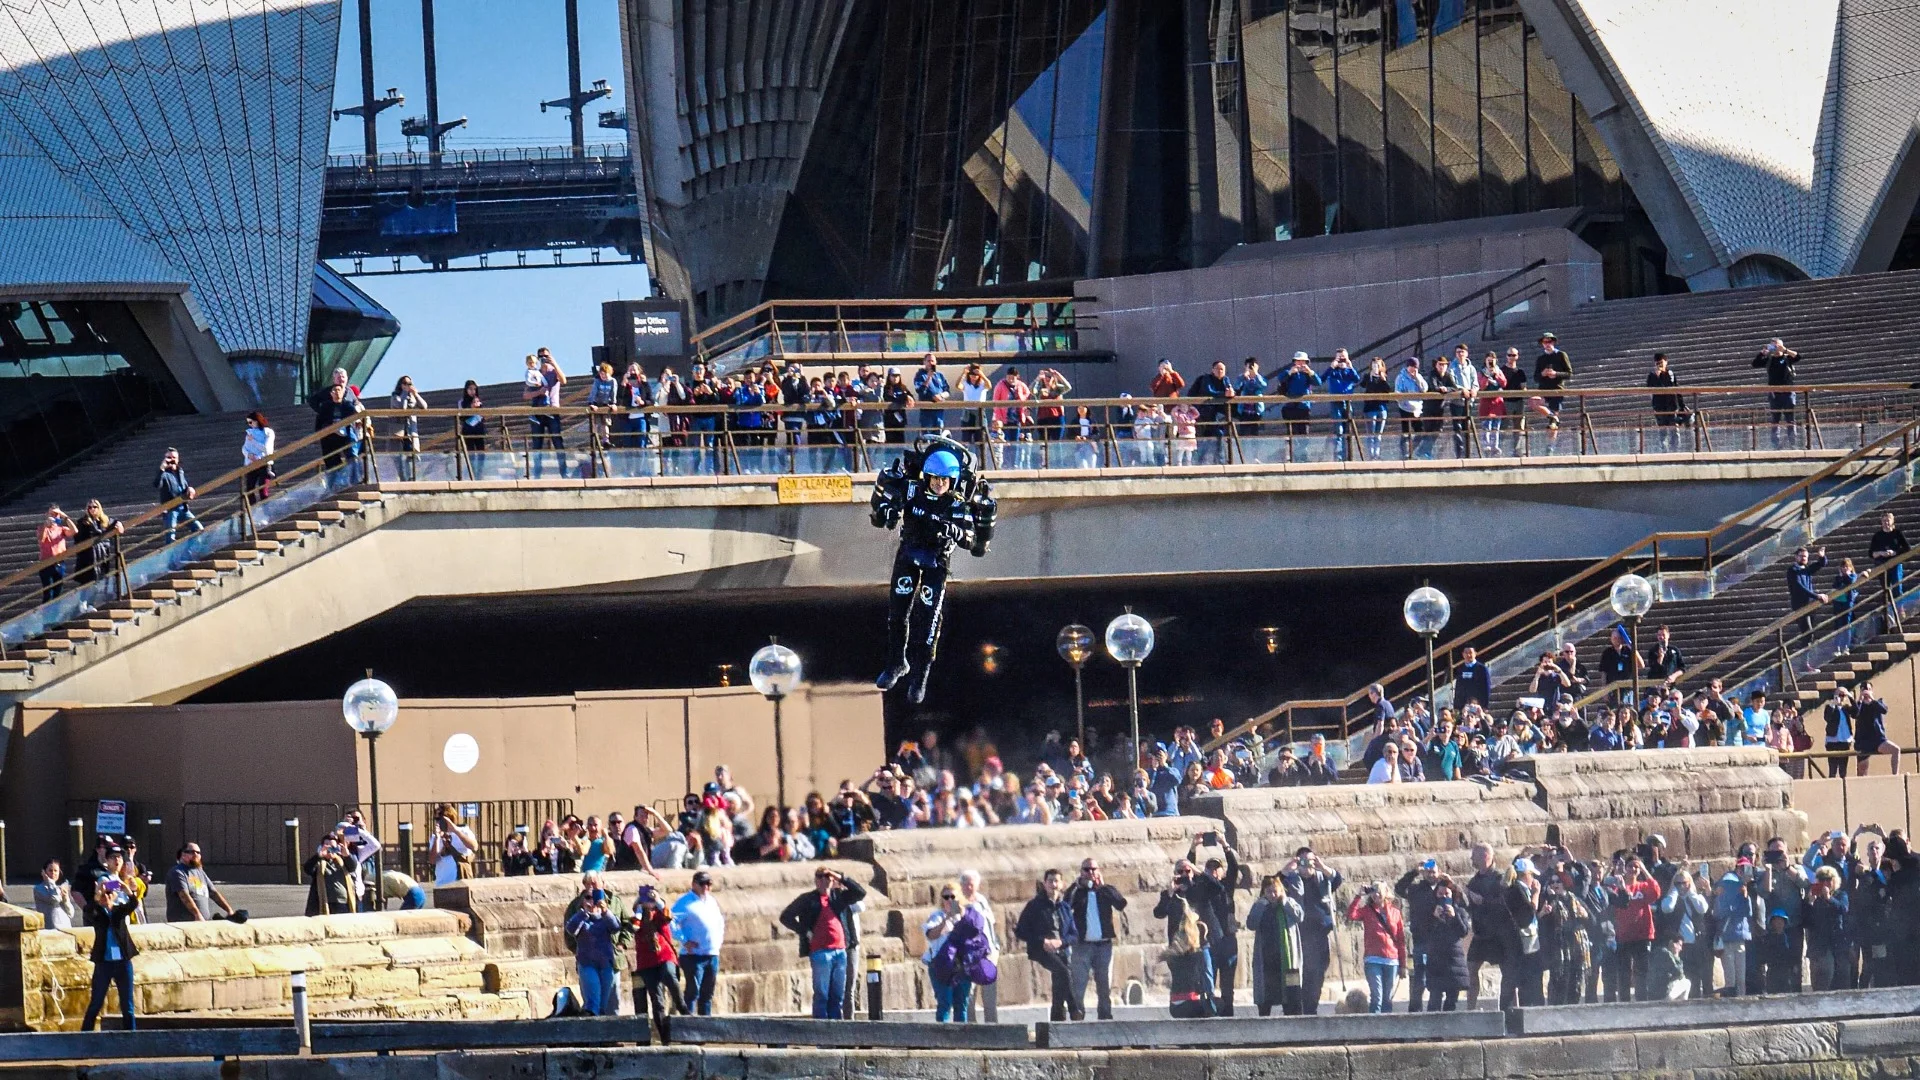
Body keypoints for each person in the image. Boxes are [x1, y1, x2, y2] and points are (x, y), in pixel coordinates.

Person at [870, 441, 993, 704]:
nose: (939, 484)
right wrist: (888, 511)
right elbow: (883, 507)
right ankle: (895, 664)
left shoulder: (957, 504)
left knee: (928, 620)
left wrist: (954, 531)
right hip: (908, 555)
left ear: (953, 480)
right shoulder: (912, 490)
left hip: (937, 563)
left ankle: (920, 675)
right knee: (897, 613)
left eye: (944, 480)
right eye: (935, 478)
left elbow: (971, 539)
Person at [778, 866, 868, 1019]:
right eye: (820, 877)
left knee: (837, 995)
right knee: (822, 995)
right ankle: (821, 1036)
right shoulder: (807, 899)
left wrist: (840, 876)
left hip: (840, 951)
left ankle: (836, 1033)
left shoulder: (838, 897)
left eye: (828, 877)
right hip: (820, 952)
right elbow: (786, 916)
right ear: (816, 880)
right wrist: (805, 931)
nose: (825, 880)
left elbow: (860, 892)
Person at [79, 845, 140, 1031]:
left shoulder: (119, 912)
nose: (108, 897)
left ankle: (132, 1039)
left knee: (128, 1006)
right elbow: (90, 908)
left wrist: (125, 888)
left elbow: (133, 903)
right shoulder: (98, 910)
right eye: (113, 857)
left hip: (122, 960)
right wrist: (99, 896)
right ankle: (84, 1037)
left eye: (119, 857)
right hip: (104, 962)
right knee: (96, 1002)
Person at [1014, 868, 1081, 1021]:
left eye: (1056, 881)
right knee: (1064, 972)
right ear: (1045, 884)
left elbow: (1074, 935)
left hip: (1061, 950)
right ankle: (1074, 1008)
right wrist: (1042, 941)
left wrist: (1061, 942)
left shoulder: (1064, 908)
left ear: (1062, 884)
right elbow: (1021, 931)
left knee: (1059, 985)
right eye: (1050, 881)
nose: (1053, 884)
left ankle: (1058, 1021)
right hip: (1041, 950)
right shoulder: (1034, 906)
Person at [1282, 846, 1341, 1013]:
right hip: (1297, 935)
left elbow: (1337, 879)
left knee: (1316, 975)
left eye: (1310, 861)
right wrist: (1286, 870)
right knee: (1296, 973)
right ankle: (1295, 1008)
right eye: (1302, 861)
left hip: (1319, 936)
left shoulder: (1323, 878)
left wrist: (1322, 866)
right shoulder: (1291, 879)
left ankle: (1311, 1008)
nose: (1306, 865)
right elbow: (1274, 886)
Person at [1066, 857, 1126, 1020]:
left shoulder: (1105, 891)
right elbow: (1065, 906)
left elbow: (1120, 903)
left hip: (1103, 945)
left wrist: (1104, 886)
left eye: (1093, 869)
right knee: (1078, 984)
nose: (1090, 873)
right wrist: (1076, 886)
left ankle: (1105, 1016)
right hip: (1082, 945)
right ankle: (1078, 1015)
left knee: (1104, 983)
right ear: (1081, 872)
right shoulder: (1077, 892)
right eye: (1087, 870)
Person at [564, 871, 630, 1016]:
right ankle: (594, 1032)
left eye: (594, 883)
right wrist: (584, 911)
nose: (592, 888)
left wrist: (622, 944)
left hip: (610, 960)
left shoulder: (614, 901)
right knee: (592, 1000)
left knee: (610, 1002)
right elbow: (569, 930)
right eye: (588, 884)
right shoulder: (577, 905)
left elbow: (620, 926)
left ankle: (612, 1035)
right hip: (587, 961)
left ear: (602, 884)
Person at [632, 884, 688, 1037]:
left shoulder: (660, 913)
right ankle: (664, 1036)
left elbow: (668, 917)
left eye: (650, 901)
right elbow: (634, 928)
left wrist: (657, 900)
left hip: (664, 955)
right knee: (657, 1001)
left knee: (669, 975)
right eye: (646, 901)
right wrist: (639, 912)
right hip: (647, 962)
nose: (648, 903)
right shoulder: (637, 916)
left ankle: (682, 1005)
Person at [1245, 873, 1304, 1016]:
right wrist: (1260, 906)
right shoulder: (1260, 905)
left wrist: (1285, 902)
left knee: (1292, 997)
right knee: (1265, 999)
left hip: (1289, 961)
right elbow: (1251, 924)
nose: (1272, 895)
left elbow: (1300, 916)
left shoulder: (1288, 902)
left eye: (1275, 891)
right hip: (1266, 961)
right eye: (1269, 892)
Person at [1605, 854, 1661, 1000]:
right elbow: (1605, 888)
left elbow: (1656, 892)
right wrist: (1614, 870)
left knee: (1641, 971)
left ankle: (1641, 1000)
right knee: (1624, 972)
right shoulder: (1617, 886)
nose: (1633, 869)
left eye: (1636, 867)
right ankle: (1624, 1001)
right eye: (1631, 866)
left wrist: (1644, 869)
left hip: (1642, 935)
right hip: (1623, 935)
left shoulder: (1642, 887)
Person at [669, 870, 725, 1014]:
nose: (706, 887)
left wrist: (718, 942)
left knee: (707, 994)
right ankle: (688, 1024)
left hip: (712, 954)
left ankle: (705, 1026)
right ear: (694, 884)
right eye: (702, 884)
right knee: (693, 992)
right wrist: (684, 940)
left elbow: (719, 922)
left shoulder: (711, 901)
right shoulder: (685, 902)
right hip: (693, 956)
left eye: (709, 884)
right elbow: (670, 921)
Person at [1347, 882, 1405, 1013]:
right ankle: (1374, 1028)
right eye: (1373, 891)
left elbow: (1400, 940)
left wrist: (1403, 965)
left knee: (1387, 998)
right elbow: (1351, 915)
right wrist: (1358, 896)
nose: (1376, 894)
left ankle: (1387, 1029)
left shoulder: (1395, 912)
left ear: (1385, 893)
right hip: (1373, 958)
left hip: (1391, 959)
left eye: (1379, 891)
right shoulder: (1367, 911)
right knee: (1377, 996)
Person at [1422, 877, 1472, 1011]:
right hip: (1436, 960)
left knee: (1452, 1000)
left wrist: (1454, 916)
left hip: (1453, 960)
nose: (1443, 897)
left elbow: (1463, 932)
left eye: (1447, 894)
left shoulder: (1460, 911)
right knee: (1434, 1000)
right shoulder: (1429, 912)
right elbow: (1424, 932)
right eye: (1440, 894)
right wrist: (1434, 918)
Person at [165, 843, 234, 922]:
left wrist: (229, 910)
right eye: (191, 852)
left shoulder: (200, 872)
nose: (195, 854)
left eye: (198, 852)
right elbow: (184, 895)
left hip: (201, 922)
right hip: (184, 923)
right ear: (183, 854)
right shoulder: (177, 872)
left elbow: (213, 893)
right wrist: (197, 915)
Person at [1752, 337, 1800, 446]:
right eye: (1774, 346)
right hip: (1774, 393)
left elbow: (1798, 357)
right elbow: (1755, 364)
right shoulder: (1769, 359)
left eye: (1777, 345)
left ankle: (1793, 443)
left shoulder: (1788, 358)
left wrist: (1785, 350)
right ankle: (1775, 444)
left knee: (1790, 419)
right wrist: (1762, 353)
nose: (1776, 348)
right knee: (1775, 420)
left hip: (1788, 392)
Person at [303, 830, 359, 916]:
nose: (330, 851)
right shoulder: (318, 863)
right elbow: (307, 869)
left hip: (343, 902)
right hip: (324, 902)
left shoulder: (342, 860)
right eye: (327, 847)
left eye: (333, 847)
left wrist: (347, 855)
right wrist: (318, 856)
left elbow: (352, 867)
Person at [153, 446, 203, 543]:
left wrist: (189, 488)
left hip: (183, 507)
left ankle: (189, 551)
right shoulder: (163, 473)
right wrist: (162, 469)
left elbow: (183, 486)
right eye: (169, 457)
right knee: (170, 537)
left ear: (178, 459)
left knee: (199, 529)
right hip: (171, 509)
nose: (171, 460)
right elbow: (156, 484)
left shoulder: (180, 471)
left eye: (174, 458)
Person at [428, 805, 480, 886]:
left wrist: (455, 830)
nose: (438, 822)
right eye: (436, 819)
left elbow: (474, 847)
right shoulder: (435, 837)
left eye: (441, 819)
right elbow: (432, 860)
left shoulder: (464, 831)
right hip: (442, 884)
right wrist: (437, 838)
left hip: (462, 882)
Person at [389, 375, 428, 480]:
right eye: (405, 383)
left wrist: (415, 394)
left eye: (410, 384)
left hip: (411, 429)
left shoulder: (413, 397)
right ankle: (403, 478)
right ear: (401, 385)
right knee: (399, 456)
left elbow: (424, 406)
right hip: (399, 430)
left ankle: (412, 477)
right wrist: (405, 393)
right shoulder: (395, 396)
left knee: (411, 454)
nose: (408, 386)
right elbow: (402, 407)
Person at [1531, 332, 1572, 431]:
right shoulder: (1541, 359)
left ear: (1553, 342)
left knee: (1553, 425)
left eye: (1549, 341)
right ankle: (1552, 417)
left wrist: (1556, 374)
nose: (1547, 344)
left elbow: (1569, 373)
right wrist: (1543, 374)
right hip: (1543, 389)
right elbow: (1536, 377)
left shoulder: (1561, 355)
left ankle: (1551, 445)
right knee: (1533, 402)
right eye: (1545, 342)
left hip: (1557, 389)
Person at [1854, 682, 1897, 774]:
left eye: (1868, 689)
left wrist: (1872, 699)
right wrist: (1860, 700)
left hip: (1878, 739)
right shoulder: (1859, 705)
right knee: (1862, 770)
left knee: (1896, 750)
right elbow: (1855, 713)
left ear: (1872, 691)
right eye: (1863, 690)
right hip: (1863, 742)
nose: (1866, 692)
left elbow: (1884, 710)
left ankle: (1895, 776)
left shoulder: (1877, 703)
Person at [36, 504, 76, 603]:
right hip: (46, 563)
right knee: (48, 593)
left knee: (58, 592)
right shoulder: (42, 528)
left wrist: (64, 516)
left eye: (56, 514)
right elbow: (41, 539)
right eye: (51, 514)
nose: (54, 516)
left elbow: (74, 530)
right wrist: (46, 525)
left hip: (59, 563)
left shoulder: (61, 529)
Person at [1870, 512, 1911, 606]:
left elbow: (1907, 548)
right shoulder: (1877, 536)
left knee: (1897, 587)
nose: (1886, 523)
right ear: (1881, 522)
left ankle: (1900, 609)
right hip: (1882, 565)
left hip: (1895, 563)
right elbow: (1871, 553)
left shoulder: (1897, 533)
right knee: (1886, 589)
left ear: (1892, 521)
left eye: (1888, 520)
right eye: (1884, 521)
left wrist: (1895, 552)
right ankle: (1888, 613)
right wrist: (1881, 553)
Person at [1647, 353, 1685, 451]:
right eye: (1657, 363)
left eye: (1661, 363)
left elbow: (1676, 389)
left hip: (1672, 406)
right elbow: (1650, 390)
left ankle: (1675, 450)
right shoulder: (1652, 376)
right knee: (1662, 431)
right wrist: (1657, 376)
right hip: (1659, 407)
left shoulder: (1670, 374)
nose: (1659, 365)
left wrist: (1682, 406)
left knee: (1674, 431)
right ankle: (1664, 450)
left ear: (1666, 362)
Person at [34, 859, 77, 930]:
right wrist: (50, 882)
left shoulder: (59, 888)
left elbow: (70, 913)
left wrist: (66, 898)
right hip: (50, 930)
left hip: (66, 928)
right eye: (50, 870)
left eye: (56, 871)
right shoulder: (38, 889)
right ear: (44, 872)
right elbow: (54, 899)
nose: (53, 873)